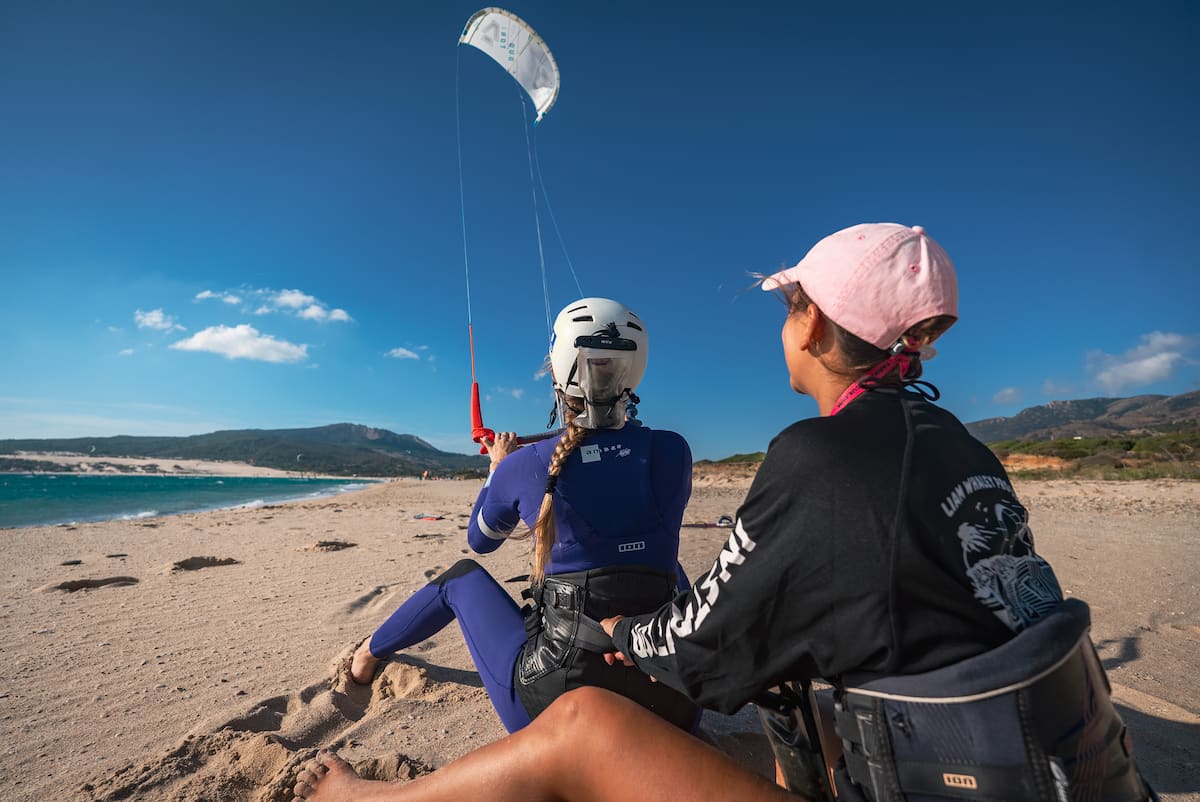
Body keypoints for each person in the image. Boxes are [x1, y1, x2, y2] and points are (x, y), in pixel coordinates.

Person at [294, 224, 1152, 802]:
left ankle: (370, 796)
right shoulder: (959, 443)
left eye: (788, 308)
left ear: (812, 324)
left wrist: (630, 635)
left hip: (940, 776)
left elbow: (703, 653)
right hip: (1059, 760)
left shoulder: (819, 458)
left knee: (588, 723)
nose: (783, 325)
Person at [348, 297, 699, 734]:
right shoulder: (673, 451)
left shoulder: (527, 464)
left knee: (460, 577)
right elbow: (617, 464)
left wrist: (497, 470)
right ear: (635, 368)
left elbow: (481, 541)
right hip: (672, 706)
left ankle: (366, 657)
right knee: (667, 565)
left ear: (557, 370)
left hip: (556, 712)